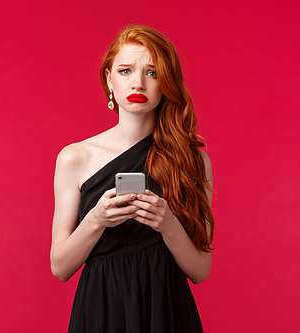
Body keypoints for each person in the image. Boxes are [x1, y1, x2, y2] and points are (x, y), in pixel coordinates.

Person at [50, 24, 215, 333]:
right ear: (108, 80)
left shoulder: (193, 159)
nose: (138, 82)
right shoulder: (75, 158)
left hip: (166, 310)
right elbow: (59, 268)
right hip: (101, 309)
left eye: (152, 73)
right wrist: (97, 218)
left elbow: (200, 270)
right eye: (125, 71)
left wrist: (167, 223)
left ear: (167, 83)